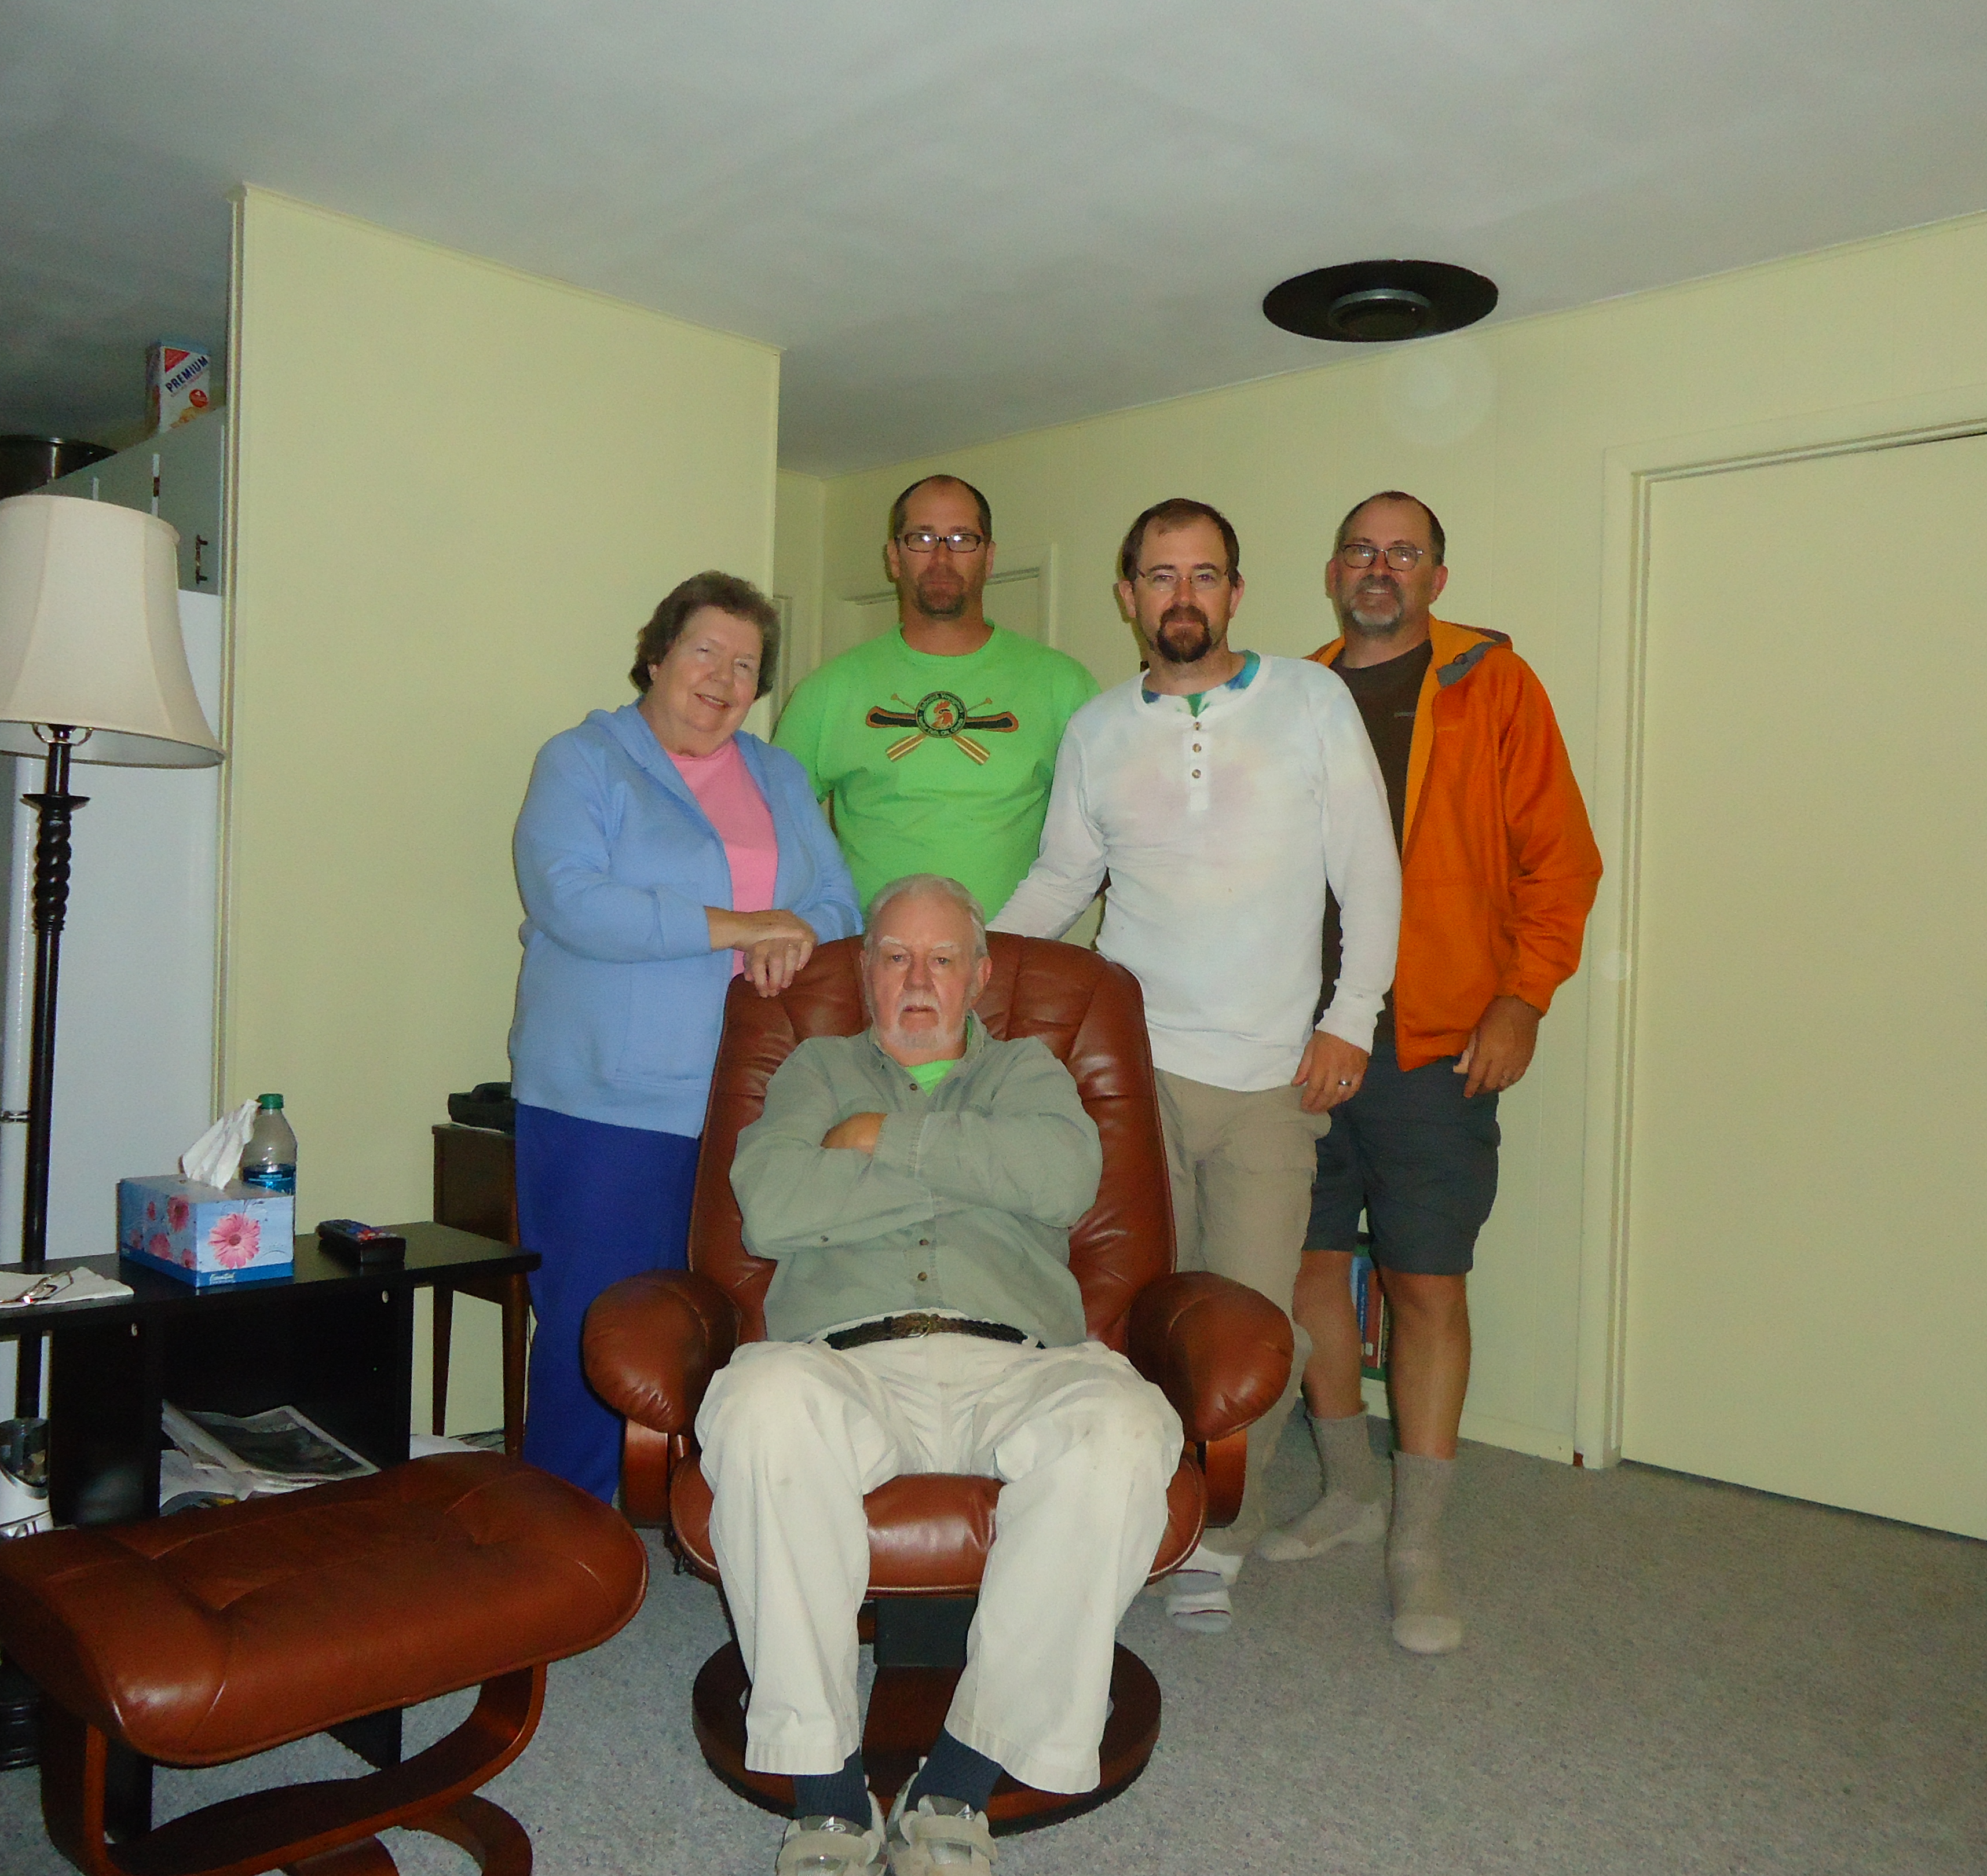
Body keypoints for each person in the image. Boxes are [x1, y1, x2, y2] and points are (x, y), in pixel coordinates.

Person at [701, 874, 1181, 1876]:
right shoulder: (818, 1070)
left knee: (1126, 1429)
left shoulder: (1030, 1074)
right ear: (866, 974)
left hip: (1019, 1361)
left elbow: (1062, 1180)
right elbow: (775, 1207)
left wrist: (877, 1143)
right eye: (895, 958)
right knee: (756, 1406)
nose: (918, 980)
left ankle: (961, 1778)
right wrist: (972, 1177)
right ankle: (828, 1792)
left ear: (979, 977)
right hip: (845, 1361)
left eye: (942, 960)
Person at [990, 498, 1400, 1635]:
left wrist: (1350, 1020)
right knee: (1130, 1313)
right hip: (1136, 1077)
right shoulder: (1097, 732)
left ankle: (1221, 1529)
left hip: (1275, 1080)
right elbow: (1061, 880)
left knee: (1254, 1324)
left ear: (1235, 591)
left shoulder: (1310, 701)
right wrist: (959, 964)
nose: (1183, 595)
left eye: (1204, 574)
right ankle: (1135, 1511)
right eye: (1161, 575)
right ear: (1129, 595)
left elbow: (1370, 870)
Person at [1261, 492, 1601, 1655]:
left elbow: (1560, 862)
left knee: (1424, 1284)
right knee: (1306, 1267)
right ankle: (1350, 1491)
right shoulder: (1292, 694)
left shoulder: (1494, 687)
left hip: (1436, 1039)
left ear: (1436, 579)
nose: (1379, 567)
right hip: (1299, 1036)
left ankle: (1418, 1542)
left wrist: (1523, 997)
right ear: (1333, 570)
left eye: (1403, 553)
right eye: (1361, 549)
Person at [509, 571, 861, 1503]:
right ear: (658, 655)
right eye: (706, 652)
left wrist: (798, 934)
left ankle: (709, 1511)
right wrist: (741, 928)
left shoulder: (777, 774)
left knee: (729, 1323)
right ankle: (565, 1530)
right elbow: (573, 901)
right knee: (600, 1326)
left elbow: (838, 900)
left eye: (746, 666)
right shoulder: (583, 760)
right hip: (608, 1102)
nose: (724, 678)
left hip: (754, 1096)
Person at [773, 475, 1099, 916]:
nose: (942, 557)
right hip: (868, 950)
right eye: (922, 538)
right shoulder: (829, 691)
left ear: (989, 557)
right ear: (894, 557)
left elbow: (1108, 840)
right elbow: (770, 833)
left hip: (1012, 948)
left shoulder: (1064, 686)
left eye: (962, 539)